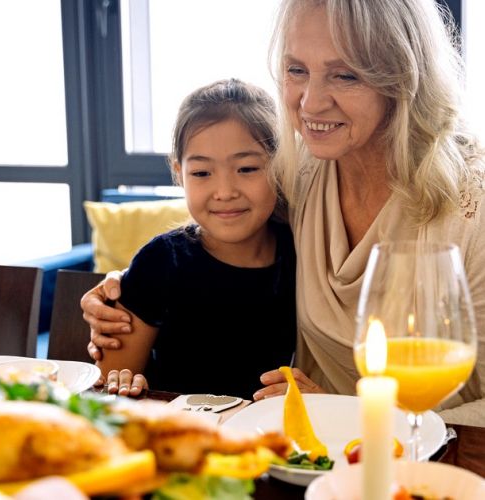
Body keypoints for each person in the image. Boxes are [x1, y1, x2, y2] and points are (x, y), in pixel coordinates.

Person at [82, 0, 485, 426]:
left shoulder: (470, 209)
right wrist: (126, 286)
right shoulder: (300, 173)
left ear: (404, 77)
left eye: (345, 75)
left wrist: (346, 414)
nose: (310, 104)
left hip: (444, 460)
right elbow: (226, 224)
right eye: (296, 70)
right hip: (306, 454)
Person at [87, 78, 296, 401]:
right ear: (179, 172)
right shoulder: (161, 261)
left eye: (247, 168)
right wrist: (124, 384)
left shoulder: (303, 252)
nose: (225, 192)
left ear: (279, 166)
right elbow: (106, 388)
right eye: (201, 173)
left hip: (268, 439)